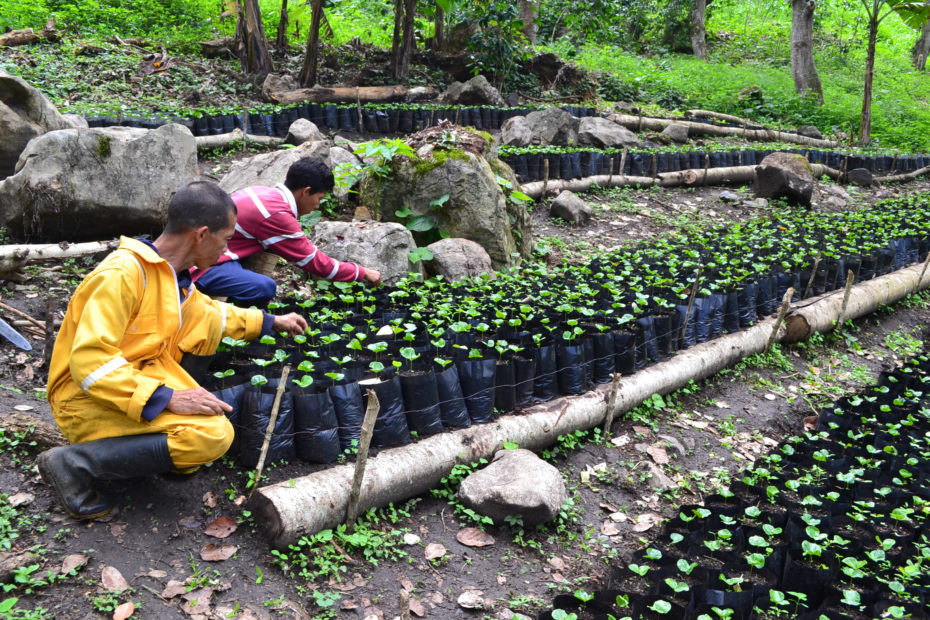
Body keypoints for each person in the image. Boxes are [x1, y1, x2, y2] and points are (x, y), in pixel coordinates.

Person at [39, 181, 308, 520]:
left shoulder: (168, 275)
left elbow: (210, 313)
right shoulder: (121, 275)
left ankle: (163, 450)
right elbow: (91, 364)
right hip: (84, 396)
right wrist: (168, 398)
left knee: (205, 325)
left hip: (135, 377)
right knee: (213, 434)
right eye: (225, 240)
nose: (226, 252)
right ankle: (72, 464)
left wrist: (270, 321)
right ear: (202, 234)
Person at [193, 156, 381, 306]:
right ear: (305, 191)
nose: (317, 206)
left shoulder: (263, 193)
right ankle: (237, 324)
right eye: (319, 198)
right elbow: (314, 262)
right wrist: (362, 272)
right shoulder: (276, 214)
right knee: (264, 288)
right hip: (200, 268)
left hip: (217, 256)